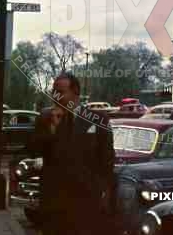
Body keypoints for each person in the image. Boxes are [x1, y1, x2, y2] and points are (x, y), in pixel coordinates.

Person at [28, 72, 115, 235]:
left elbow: (107, 158)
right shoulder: (45, 118)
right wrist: (52, 129)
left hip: (85, 199)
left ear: (75, 93)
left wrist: (105, 190)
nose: (55, 96)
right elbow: (34, 150)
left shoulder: (97, 119)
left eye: (60, 92)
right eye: (53, 91)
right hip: (54, 200)